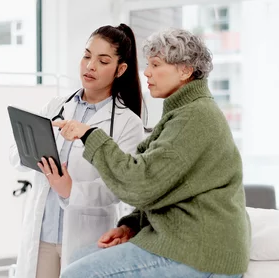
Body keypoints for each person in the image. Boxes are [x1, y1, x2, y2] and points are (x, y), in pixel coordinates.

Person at [53, 27, 251, 278]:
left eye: (156, 65)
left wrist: (89, 135)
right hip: (182, 241)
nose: (146, 72)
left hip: (201, 251)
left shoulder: (195, 118)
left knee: (77, 274)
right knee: (78, 258)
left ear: (185, 70)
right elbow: (163, 186)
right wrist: (131, 226)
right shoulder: (183, 113)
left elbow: (141, 184)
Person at [9, 23, 145, 278]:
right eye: (86, 56)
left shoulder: (128, 123)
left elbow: (119, 187)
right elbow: (15, 156)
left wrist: (70, 190)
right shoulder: (57, 106)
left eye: (103, 61)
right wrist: (34, 139)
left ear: (120, 69)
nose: (90, 66)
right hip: (42, 235)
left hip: (86, 235)